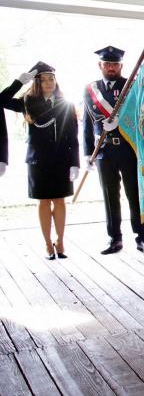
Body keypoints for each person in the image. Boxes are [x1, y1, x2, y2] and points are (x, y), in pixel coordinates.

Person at [1, 63, 79, 259]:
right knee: (44, 201)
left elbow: (73, 137)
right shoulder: (28, 103)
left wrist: (75, 163)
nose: (48, 83)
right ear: (36, 83)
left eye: (51, 78)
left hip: (61, 160)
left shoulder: (66, 104)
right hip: (38, 161)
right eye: (43, 80)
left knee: (59, 201)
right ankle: (47, 243)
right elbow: (1, 100)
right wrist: (19, 82)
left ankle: (60, 241)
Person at [83, 46, 144, 255]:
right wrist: (87, 152)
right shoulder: (91, 89)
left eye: (115, 64)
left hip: (128, 148)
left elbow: (141, 115)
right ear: (100, 65)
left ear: (121, 66)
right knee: (110, 196)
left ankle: (142, 237)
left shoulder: (131, 86)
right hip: (104, 151)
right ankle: (114, 238)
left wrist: (120, 122)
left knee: (134, 194)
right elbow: (87, 122)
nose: (111, 67)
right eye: (107, 64)